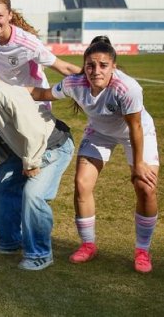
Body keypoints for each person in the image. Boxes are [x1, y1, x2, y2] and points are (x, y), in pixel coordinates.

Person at [28, 36, 159, 273]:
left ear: (113, 67)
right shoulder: (74, 83)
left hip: (136, 133)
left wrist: (139, 163)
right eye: (90, 65)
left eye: (103, 65)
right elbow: (43, 94)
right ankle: (88, 244)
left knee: (145, 187)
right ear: (84, 65)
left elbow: (136, 127)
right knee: (82, 183)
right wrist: (4, 89)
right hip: (99, 133)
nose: (96, 70)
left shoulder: (127, 88)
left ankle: (142, 250)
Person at [0, 47, 74, 270]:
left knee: (33, 196)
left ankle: (40, 253)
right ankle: (11, 241)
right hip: (24, 150)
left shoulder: (2, 92)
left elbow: (33, 129)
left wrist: (31, 163)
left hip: (51, 146)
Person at [0, 0, 80, 89]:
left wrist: (91, 80)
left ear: (9, 15)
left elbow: (64, 67)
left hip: (36, 100)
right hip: (10, 98)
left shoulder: (28, 43)